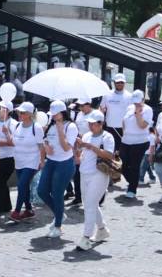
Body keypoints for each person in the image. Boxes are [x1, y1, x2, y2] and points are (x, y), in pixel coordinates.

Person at [73, 110, 114, 251]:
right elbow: (82, 154)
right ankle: (102, 230)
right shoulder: (87, 135)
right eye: (89, 123)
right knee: (90, 204)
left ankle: (86, 237)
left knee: (89, 205)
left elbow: (109, 155)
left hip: (99, 174)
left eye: (93, 124)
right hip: (84, 173)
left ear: (101, 123)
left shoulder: (107, 137)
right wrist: (78, 150)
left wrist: (90, 146)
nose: (90, 126)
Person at [39, 100, 79, 237]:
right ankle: (60, 214)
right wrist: (46, 147)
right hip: (51, 162)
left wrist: (61, 131)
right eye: (52, 114)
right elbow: (45, 140)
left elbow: (67, 147)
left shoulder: (71, 126)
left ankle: (58, 226)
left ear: (62, 113)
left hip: (64, 163)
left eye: (56, 114)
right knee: (42, 191)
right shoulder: (51, 126)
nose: (54, 116)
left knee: (57, 194)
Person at [10, 102, 45, 221]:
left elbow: (41, 146)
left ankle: (17, 211)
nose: (20, 114)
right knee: (24, 186)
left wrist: (42, 161)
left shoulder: (37, 127)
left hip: (31, 161)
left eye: (23, 112)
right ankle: (29, 210)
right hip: (18, 161)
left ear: (30, 114)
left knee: (21, 185)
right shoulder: (17, 126)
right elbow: (13, 142)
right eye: (19, 112)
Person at [118, 90, 152, 199]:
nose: (136, 104)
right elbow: (124, 122)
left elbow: (142, 125)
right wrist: (124, 134)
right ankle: (133, 180)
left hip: (140, 141)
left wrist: (138, 114)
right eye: (134, 102)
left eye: (138, 102)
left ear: (143, 100)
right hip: (126, 140)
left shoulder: (147, 110)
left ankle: (132, 188)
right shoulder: (129, 108)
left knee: (134, 165)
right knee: (123, 165)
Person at [67, 98, 93, 205]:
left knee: (88, 173)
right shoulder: (79, 114)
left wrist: (84, 137)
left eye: (83, 105)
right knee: (77, 172)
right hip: (78, 146)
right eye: (79, 106)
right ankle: (78, 197)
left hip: (90, 146)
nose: (81, 108)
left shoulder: (95, 114)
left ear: (89, 104)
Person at [100, 74, 131, 147]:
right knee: (109, 148)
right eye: (118, 82)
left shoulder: (129, 96)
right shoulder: (107, 94)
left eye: (122, 82)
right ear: (114, 83)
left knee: (121, 150)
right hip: (109, 127)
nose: (120, 84)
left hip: (124, 128)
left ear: (125, 83)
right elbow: (102, 108)